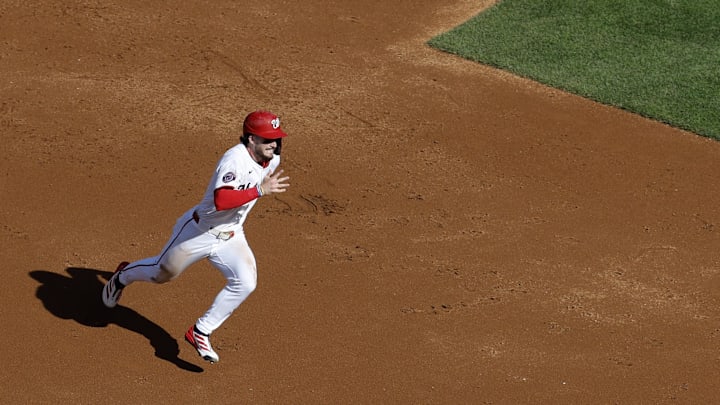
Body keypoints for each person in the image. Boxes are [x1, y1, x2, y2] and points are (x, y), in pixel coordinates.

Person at [102, 110, 290, 364]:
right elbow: (222, 200)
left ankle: (201, 331)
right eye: (267, 139)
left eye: (276, 138)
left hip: (232, 236)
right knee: (162, 273)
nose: (274, 144)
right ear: (250, 139)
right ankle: (122, 276)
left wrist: (260, 186)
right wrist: (259, 189)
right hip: (198, 232)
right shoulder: (234, 159)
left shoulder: (273, 160)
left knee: (246, 282)